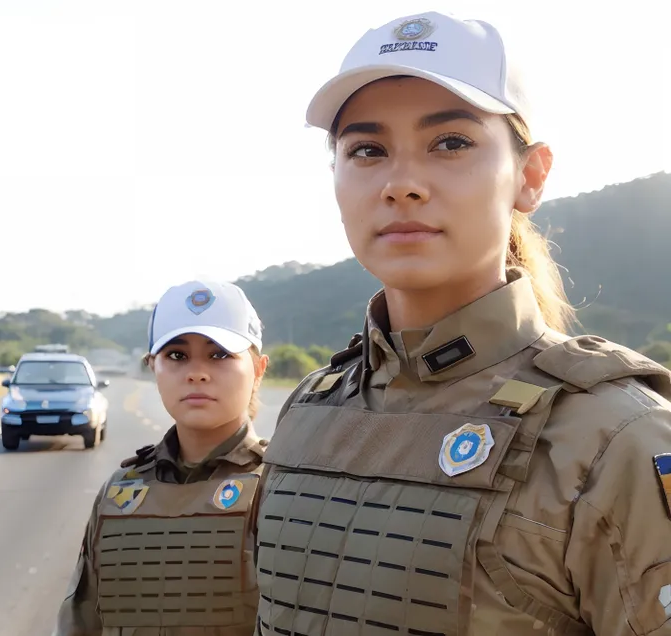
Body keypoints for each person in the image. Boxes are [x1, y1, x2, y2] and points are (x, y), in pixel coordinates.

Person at [253, 10, 671, 636]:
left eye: (451, 143)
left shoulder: (617, 440)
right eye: (367, 150)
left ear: (529, 177)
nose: (402, 184)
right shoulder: (309, 412)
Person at [55, 280, 269, 635]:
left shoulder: (286, 488)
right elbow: (80, 621)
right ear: (153, 366)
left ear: (259, 369)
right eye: (176, 355)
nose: (196, 372)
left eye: (219, 354)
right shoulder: (120, 493)